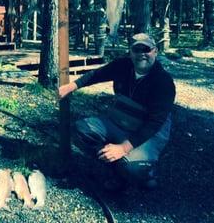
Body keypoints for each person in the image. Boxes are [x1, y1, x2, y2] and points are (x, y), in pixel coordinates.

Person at [58, 33, 176, 191]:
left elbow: (154, 124)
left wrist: (123, 148)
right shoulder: (123, 65)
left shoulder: (164, 82)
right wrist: (71, 87)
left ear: (155, 51)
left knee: (132, 168)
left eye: (146, 49)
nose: (141, 54)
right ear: (130, 52)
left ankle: (145, 171)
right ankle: (114, 168)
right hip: (120, 123)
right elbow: (96, 75)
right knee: (81, 130)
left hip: (149, 133)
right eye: (136, 49)